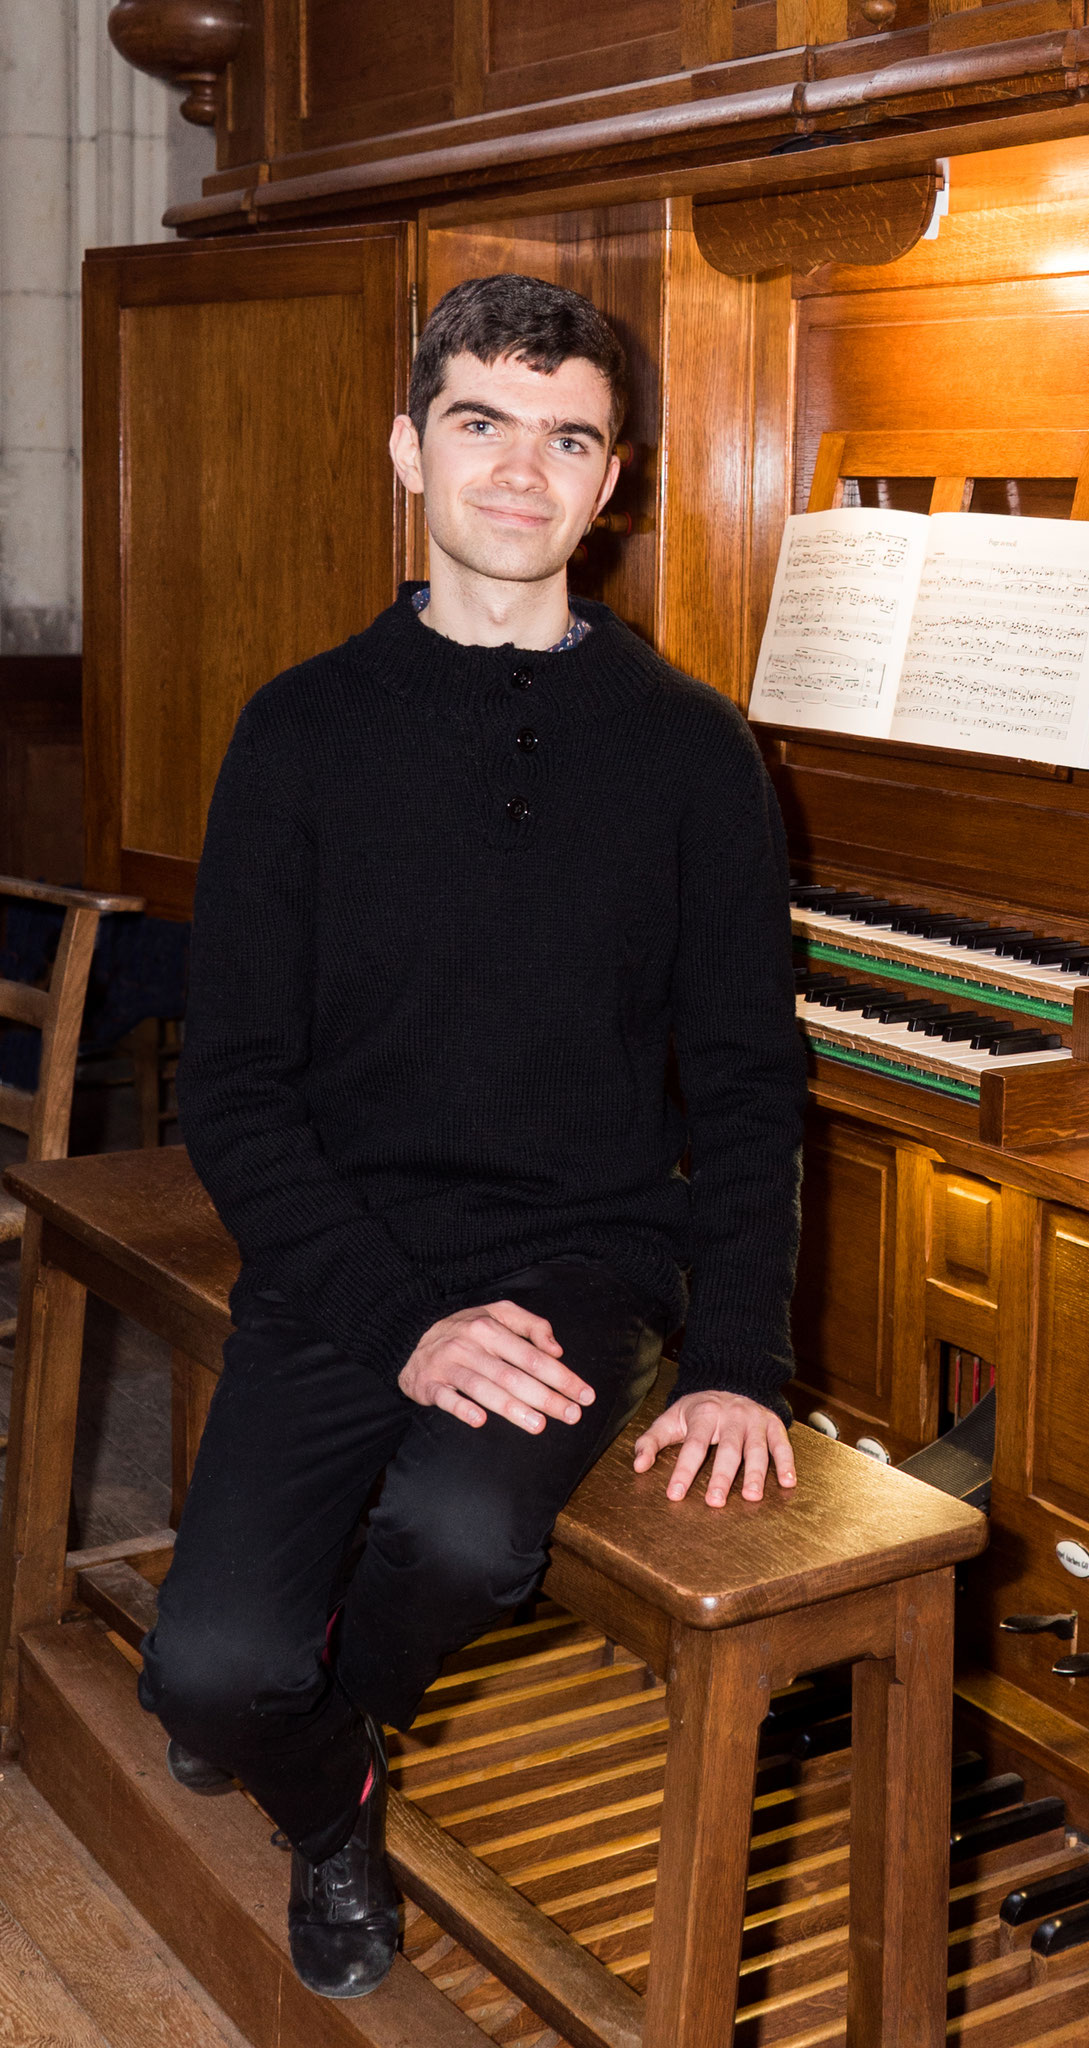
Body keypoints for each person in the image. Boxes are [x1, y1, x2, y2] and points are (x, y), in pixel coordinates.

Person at [137, 272, 808, 2001]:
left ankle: (325, 1761)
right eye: (482, 422)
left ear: (612, 482)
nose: (523, 470)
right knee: (207, 1677)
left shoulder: (691, 751)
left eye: (567, 434)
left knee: (461, 1535)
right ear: (409, 451)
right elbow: (236, 1085)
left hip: (582, 1248)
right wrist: (399, 1319)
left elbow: (743, 1080)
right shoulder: (299, 729)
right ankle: (334, 1776)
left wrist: (739, 1361)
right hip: (345, 1256)